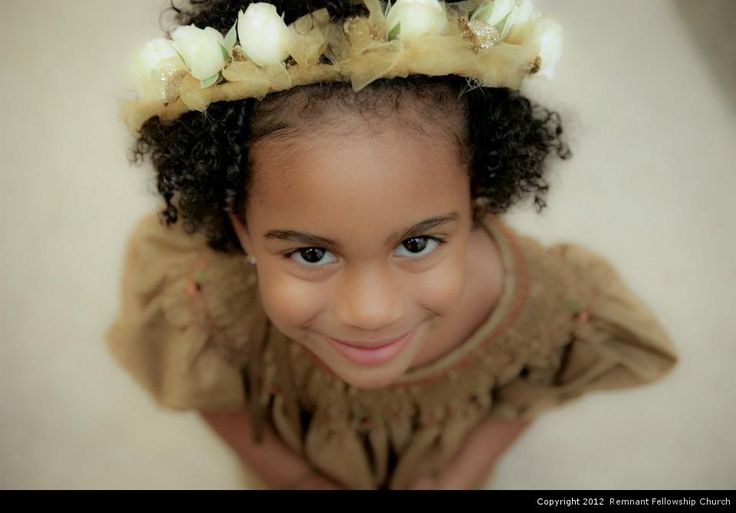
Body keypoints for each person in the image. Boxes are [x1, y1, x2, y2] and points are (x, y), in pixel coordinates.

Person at [107, 0, 678, 490]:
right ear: (240, 228)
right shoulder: (211, 299)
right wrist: (298, 480)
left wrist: (457, 479)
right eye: (311, 254)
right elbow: (217, 398)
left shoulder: (538, 302)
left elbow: (524, 394)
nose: (371, 313)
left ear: (477, 198)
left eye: (419, 242)